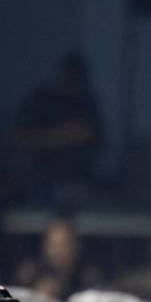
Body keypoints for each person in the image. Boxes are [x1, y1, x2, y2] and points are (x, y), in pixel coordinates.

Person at [13, 51, 103, 205]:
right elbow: (21, 138)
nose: (70, 79)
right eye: (67, 72)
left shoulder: (86, 102)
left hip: (77, 182)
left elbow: (88, 134)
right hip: (40, 181)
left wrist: (47, 137)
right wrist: (61, 136)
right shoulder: (40, 99)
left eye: (76, 75)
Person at [13, 218, 102, 300]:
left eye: (64, 245)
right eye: (54, 245)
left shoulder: (88, 278)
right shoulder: (31, 275)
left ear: (76, 247)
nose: (59, 251)